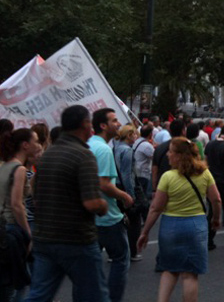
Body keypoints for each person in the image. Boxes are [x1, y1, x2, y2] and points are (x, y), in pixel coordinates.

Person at [25, 105, 109, 301]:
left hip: (45, 238)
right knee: (95, 295)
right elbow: (91, 203)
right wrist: (103, 206)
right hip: (76, 239)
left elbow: (34, 194)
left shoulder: (47, 157)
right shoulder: (83, 155)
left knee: (39, 295)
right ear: (85, 125)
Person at [137, 137, 221, 302]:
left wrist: (144, 232)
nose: (168, 154)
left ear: (179, 155)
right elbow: (216, 199)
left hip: (171, 226)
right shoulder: (204, 173)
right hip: (196, 225)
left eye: (171, 151)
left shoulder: (168, 177)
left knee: (169, 270)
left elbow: (155, 208)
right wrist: (216, 218)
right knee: (190, 275)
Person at [88, 108, 134, 302]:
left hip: (90, 214)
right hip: (107, 216)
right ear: (103, 125)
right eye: (114, 121)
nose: (119, 124)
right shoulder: (104, 149)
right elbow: (104, 184)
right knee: (121, 259)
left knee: (91, 263)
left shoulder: (88, 144)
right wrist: (125, 196)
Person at [0, 128, 41, 299]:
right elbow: (17, 205)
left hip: (3, 225)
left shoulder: (6, 165)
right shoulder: (19, 169)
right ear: (25, 145)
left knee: (7, 281)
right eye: (36, 141)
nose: (38, 145)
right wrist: (28, 232)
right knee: (17, 281)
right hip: (12, 228)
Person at [113, 125, 144, 262]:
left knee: (118, 219)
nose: (136, 137)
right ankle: (132, 251)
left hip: (115, 185)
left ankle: (114, 251)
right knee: (134, 220)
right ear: (129, 135)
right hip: (125, 187)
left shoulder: (115, 147)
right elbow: (127, 175)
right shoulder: (127, 151)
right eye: (134, 135)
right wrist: (131, 195)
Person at [152, 120, 186, 193]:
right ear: (183, 131)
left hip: (162, 187)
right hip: (182, 188)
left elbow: (154, 170)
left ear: (169, 131)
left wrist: (154, 189)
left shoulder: (160, 148)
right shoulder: (188, 148)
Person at [134, 125, 155, 199]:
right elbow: (155, 157)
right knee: (146, 196)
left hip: (136, 171)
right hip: (144, 174)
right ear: (150, 134)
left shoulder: (136, 141)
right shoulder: (147, 145)